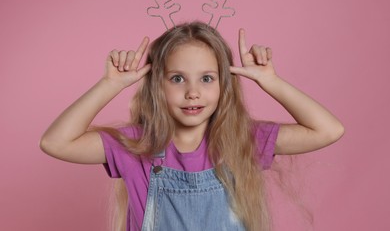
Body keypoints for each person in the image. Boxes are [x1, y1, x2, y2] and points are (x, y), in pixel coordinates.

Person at [40, 21, 344, 231]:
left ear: (225, 85)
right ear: (156, 84)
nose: (192, 92)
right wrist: (110, 85)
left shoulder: (242, 140)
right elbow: (56, 142)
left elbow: (328, 130)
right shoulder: (137, 147)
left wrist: (272, 82)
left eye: (207, 78)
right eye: (177, 78)